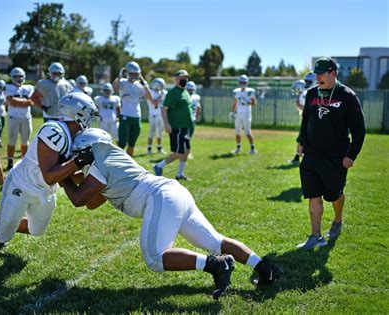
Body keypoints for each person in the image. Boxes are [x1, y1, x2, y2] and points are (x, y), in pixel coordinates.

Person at [61, 128, 282, 300]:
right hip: (173, 192)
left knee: (155, 258)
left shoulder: (98, 163)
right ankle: (266, 268)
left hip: (161, 198)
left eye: (77, 155)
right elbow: (92, 202)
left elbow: (80, 200)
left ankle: (216, 265)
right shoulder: (111, 156)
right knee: (216, 241)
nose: (75, 161)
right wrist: (69, 178)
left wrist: (60, 177)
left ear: (86, 150)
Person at [0, 92, 98, 255]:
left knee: (36, 230)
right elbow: (49, 175)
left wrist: (91, 172)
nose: (92, 117)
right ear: (77, 112)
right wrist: (77, 162)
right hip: (22, 184)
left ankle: (9, 224)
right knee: (2, 235)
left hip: (44, 190)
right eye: (89, 113)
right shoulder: (53, 131)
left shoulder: (75, 136)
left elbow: (66, 176)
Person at [296, 57, 365, 250]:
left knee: (334, 195)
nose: (317, 78)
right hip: (312, 154)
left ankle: (337, 219)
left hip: (336, 156)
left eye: (321, 74)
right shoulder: (311, 94)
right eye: (316, 74)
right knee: (313, 194)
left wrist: (351, 155)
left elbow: (359, 130)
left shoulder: (347, 96)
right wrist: (301, 142)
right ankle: (315, 236)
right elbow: (306, 120)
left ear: (333, 73)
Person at [153, 70, 193, 180]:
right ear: (176, 79)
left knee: (187, 150)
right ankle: (158, 166)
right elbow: (164, 109)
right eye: (182, 78)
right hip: (177, 127)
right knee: (179, 152)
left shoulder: (185, 92)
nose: (184, 80)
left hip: (185, 127)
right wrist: (166, 124)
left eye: (186, 78)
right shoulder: (173, 93)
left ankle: (180, 174)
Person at [112, 61, 152, 157]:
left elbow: (150, 97)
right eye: (132, 73)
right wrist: (119, 76)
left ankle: (130, 161)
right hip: (125, 115)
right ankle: (119, 160)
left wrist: (144, 82)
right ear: (127, 73)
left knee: (132, 142)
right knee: (122, 142)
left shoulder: (140, 84)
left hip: (136, 116)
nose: (134, 75)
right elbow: (115, 88)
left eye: (136, 73)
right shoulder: (122, 82)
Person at [5, 67, 35, 170]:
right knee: (11, 140)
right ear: (12, 77)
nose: (18, 78)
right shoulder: (8, 86)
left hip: (26, 117)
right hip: (13, 117)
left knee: (25, 141)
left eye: (20, 76)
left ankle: (24, 161)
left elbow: (31, 102)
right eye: (16, 76)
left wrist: (17, 102)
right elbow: (10, 101)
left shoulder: (29, 87)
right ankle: (10, 161)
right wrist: (24, 101)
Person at [289, 72, 316, 164]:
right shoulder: (309, 93)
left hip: (312, 122)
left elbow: (308, 110)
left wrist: (298, 104)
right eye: (306, 81)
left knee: (303, 139)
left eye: (309, 81)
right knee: (301, 139)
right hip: (308, 120)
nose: (307, 83)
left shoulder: (311, 93)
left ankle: (299, 157)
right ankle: (298, 157)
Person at [230, 75, 257, 155]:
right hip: (239, 113)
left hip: (247, 113)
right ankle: (238, 148)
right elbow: (235, 103)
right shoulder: (236, 91)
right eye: (241, 82)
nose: (243, 84)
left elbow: (254, 103)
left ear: (247, 82)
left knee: (247, 132)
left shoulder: (250, 91)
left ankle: (253, 149)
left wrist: (247, 102)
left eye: (244, 82)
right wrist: (232, 112)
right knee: (237, 132)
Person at [146, 78, 167, 155]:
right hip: (153, 115)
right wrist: (161, 96)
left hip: (161, 115)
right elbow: (154, 103)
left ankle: (159, 148)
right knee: (151, 133)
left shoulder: (163, 92)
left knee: (160, 133)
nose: (162, 87)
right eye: (161, 85)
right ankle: (149, 149)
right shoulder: (151, 93)